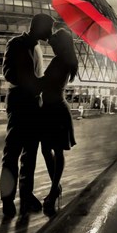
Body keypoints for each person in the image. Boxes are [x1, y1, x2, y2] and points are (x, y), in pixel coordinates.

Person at [0, 13, 54, 219]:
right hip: (19, 102)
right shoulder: (16, 43)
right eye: (48, 28)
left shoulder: (38, 48)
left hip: (33, 104)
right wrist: (30, 82)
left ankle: (26, 195)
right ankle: (7, 200)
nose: (50, 33)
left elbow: (36, 77)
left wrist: (39, 83)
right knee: (12, 153)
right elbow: (8, 73)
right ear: (39, 28)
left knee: (29, 154)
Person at [39, 28, 78, 216]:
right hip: (54, 109)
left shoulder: (59, 61)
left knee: (52, 149)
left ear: (60, 44)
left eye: (53, 42)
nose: (51, 45)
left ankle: (54, 189)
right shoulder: (65, 61)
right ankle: (55, 187)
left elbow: (44, 84)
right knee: (53, 150)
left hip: (54, 110)